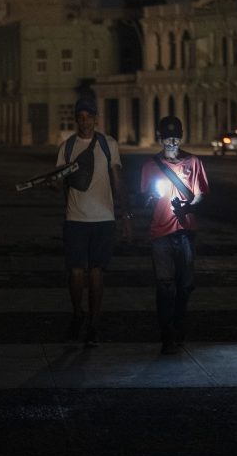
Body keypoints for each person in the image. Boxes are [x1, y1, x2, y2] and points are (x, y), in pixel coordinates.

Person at [55, 97, 130, 345]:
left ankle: (94, 323)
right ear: (77, 119)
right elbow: (61, 182)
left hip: (104, 219)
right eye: (81, 117)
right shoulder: (66, 147)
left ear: (96, 118)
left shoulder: (108, 145)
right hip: (75, 219)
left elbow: (117, 179)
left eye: (89, 116)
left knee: (97, 273)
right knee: (76, 273)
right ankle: (78, 314)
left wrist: (125, 214)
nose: (85, 121)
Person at [139, 116, 209, 355]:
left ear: (181, 137)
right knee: (165, 286)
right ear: (160, 138)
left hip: (186, 232)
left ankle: (179, 326)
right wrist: (148, 199)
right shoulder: (150, 166)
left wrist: (189, 207)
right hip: (161, 232)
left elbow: (200, 194)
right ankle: (167, 335)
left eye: (176, 137)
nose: (172, 141)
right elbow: (145, 198)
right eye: (167, 137)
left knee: (185, 285)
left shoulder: (193, 162)